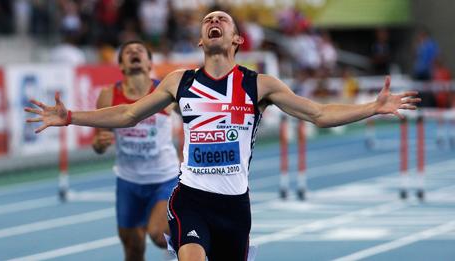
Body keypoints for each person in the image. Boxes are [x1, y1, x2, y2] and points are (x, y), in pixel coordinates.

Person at [25, 11, 420, 261]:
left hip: (235, 206)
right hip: (190, 197)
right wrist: (73, 116)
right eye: (207, 20)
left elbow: (317, 113)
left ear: (236, 40)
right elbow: (128, 114)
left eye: (223, 20)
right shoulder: (180, 81)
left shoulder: (259, 84)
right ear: (200, 40)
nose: (214, 21)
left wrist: (371, 107)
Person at [92, 40, 179, 260]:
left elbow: (193, 119)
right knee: (133, 249)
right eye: (128, 52)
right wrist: (99, 144)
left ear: (150, 63)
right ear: (121, 65)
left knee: (159, 235)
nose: (134, 53)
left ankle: (195, 245)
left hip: (164, 178)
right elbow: (98, 142)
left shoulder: (165, 91)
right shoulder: (108, 96)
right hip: (128, 181)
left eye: (140, 51)